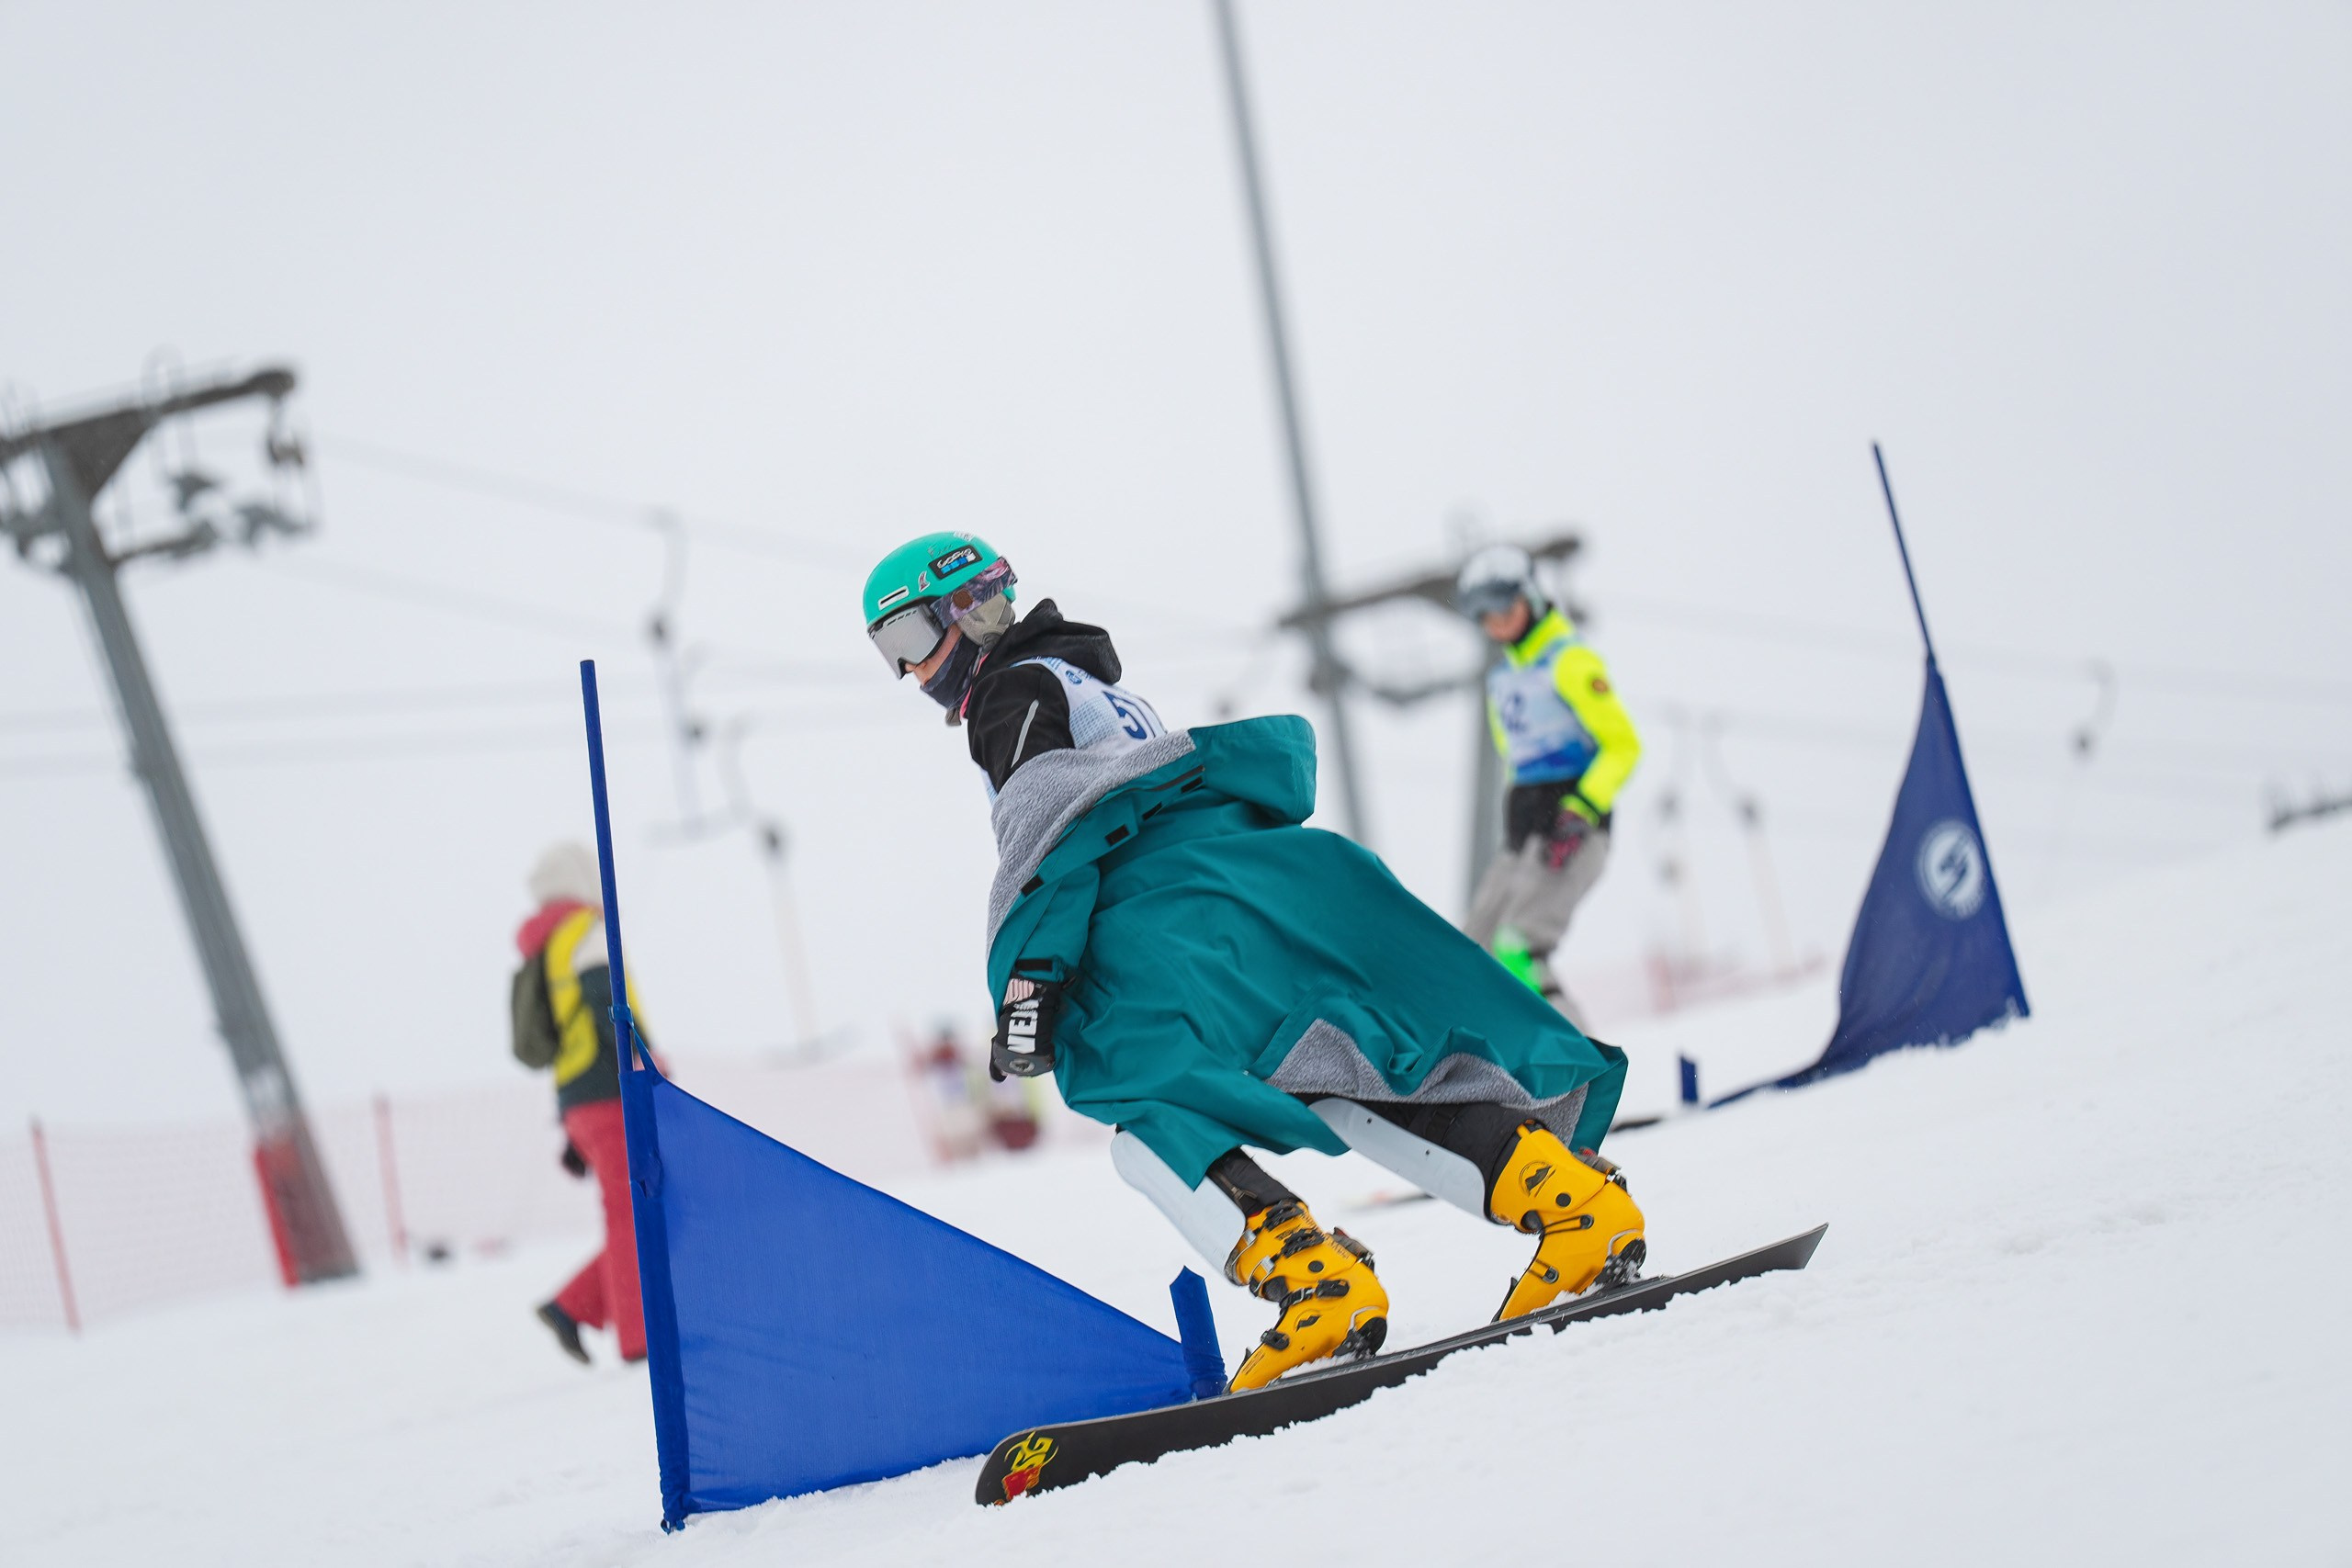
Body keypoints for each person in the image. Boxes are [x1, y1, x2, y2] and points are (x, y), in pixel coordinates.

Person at [862, 531, 1646, 1391]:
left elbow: (1048, 836)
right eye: (889, 655)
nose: (910, 672)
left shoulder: (1009, 695)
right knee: (1337, 1069)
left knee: (1132, 1093)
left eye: (908, 641)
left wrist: (1030, 991)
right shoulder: (1088, 683)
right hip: (1253, 888)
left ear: (966, 611)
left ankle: (1315, 1279)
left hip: (1167, 927)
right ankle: (1572, 1207)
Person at [1455, 545, 1642, 1029]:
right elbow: (1520, 763)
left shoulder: (1569, 661)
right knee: (1470, 951)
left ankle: (1582, 1069)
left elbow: (1623, 745)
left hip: (1571, 828)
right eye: (1483, 615)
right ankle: (1492, 1082)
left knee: (1518, 946)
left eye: (1504, 607)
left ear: (1531, 597)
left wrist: (1583, 807)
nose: (1496, 623)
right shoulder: (1505, 679)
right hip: (1524, 838)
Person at [510, 841, 651, 1367]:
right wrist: (650, 1073)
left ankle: (574, 1306)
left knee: (644, 1207)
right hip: (611, 1090)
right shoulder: (585, 931)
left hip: (577, 1097)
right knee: (633, 1212)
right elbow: (608, 1011)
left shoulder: (545, 944)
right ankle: (641, 1337)